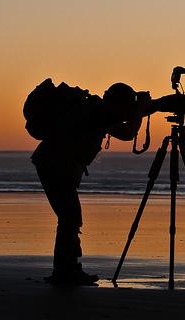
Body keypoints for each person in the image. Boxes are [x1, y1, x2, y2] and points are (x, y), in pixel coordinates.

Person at [24, 79, 152, 286]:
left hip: (55, 164)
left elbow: (122, 128)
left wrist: (139, 111)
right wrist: (141, 109)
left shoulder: (95, 110)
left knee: (70, 217)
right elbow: (127, 133)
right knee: (70, 217)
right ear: (118, 103)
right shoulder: (99, 112)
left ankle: (70, 268)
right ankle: (63, 272)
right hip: (55, 165)